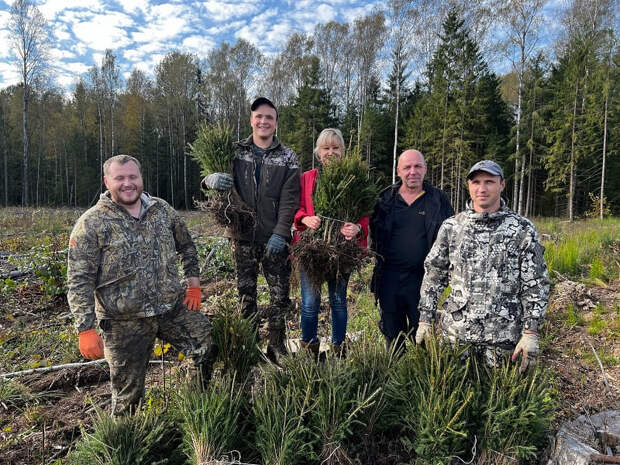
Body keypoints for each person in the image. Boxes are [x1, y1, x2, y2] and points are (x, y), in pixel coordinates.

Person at [67, 155, 215, 414]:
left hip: (170, 308)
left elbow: (187, 246)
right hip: (124, 321)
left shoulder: (162, 210)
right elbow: (79, 279)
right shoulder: (91, 223)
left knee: (205, 347)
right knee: (128, 396)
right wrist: (84, 328)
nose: (127, 183)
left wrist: (193, 284)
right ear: (107, 181)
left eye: (132, 177)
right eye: (120, 178)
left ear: (141, 179)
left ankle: (196, 410)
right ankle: (128, 444)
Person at [415, 160, 550, 371]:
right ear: (468, 185)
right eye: (476, 182)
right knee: (453, 396)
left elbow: (536, 284)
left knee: (502, 400)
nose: (482, 188)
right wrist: (425, 319)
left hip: (503, 341)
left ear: (502, 185)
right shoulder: (452, 227)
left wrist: (530, 333)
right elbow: (434, 275)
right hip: (457, 339)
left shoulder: (521, 229)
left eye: (489, 181)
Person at [203, 97, 300, 359]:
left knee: (279, 296)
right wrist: (208, 180)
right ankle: (249, 345)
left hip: (274, 239)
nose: (263, 121)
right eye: (259, 116)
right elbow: (209, 177)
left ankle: (276, 346)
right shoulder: (234, 151)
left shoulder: (287, 156)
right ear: (251, 120)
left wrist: (281, 233)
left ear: (276, 122)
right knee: (246, 294)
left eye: (269, 117)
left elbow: (291, 198)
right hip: (241, 237)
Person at [292, 128, 369, 357]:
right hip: (312, 250)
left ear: (343, 151)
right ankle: (310, 349)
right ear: (318, 152)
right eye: (326, 148)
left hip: (341, 252)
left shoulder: (352, 178)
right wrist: (304, 218)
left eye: (335, 148)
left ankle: (338, 348)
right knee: (309, 303)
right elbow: (294, 207)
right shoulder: (307, 178)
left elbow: (365, 213)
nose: (331, 152)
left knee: (338, 302)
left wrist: (357, 227)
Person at [370, 149, 453, 351]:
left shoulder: (438, 200)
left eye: (418, 166)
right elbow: (368, 231)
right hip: (389, 278)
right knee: (392, 335)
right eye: (407, 167)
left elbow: (452, 236)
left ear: (425, 169)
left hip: (424, 280)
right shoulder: (384, 199)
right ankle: (395, 377)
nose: (412, 171)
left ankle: (422, 377)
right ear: (399, 171)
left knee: (423, 336)